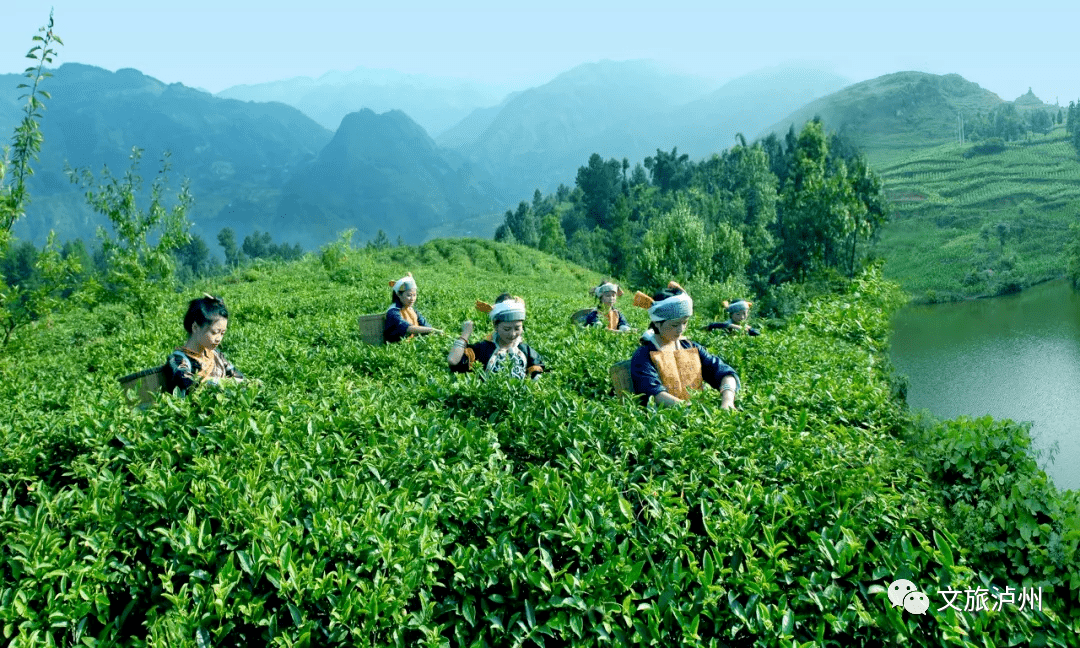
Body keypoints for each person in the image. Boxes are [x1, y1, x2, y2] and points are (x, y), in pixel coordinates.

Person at [630, 282, 739, 409]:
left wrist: (727, 400)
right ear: (657, 323)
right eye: (674, 325)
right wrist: (691, 410)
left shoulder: (690, 347)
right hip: (664, 422)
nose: (680, 329)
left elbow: (724, 373)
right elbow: (654, 394)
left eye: (685, 322)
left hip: (697, 414)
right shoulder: (644, 355)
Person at [448, 293, 544, 379]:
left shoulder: (525, 350)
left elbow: (537, 373)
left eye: (517, 328)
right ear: (495, 326)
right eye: (507, 329)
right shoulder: (484, 349)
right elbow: (453, 361)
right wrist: (465, 334)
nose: (512, 334)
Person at [164, 294, 244, 395]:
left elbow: (238, 377)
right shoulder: (178, 360)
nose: (219, 338)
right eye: (214, 332)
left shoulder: (216, 355)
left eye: (222, 333)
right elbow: (189, 384)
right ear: (195, 327)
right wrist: (222, 382)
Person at [384, 272, 443, 343]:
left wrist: (435, 332)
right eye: (409, 295)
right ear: (399, 295)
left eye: (414, 295)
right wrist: (432, 330)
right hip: (400, 345)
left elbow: (425, 325)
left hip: (415, 342)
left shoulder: (413, 310)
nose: (412, 299)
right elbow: (407, 328)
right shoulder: (393, 312)